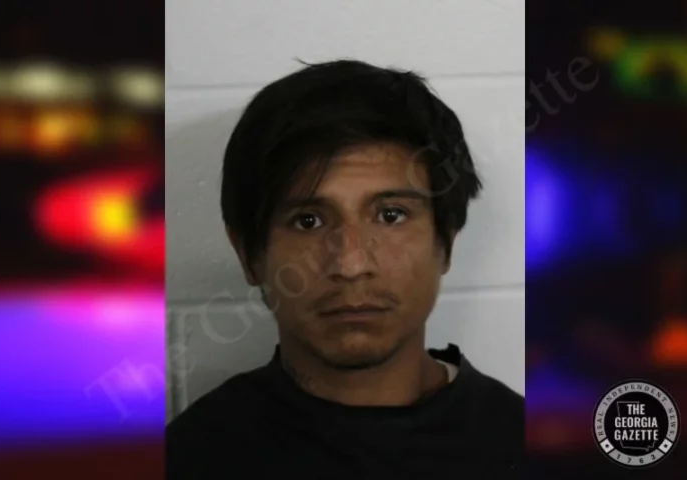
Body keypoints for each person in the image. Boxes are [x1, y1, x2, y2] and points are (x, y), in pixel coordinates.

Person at [166, 59, 523, 478]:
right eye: (308, 221)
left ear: (445, 241)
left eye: (391, 215)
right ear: (248, 254)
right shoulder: (190, 456)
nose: (351, 265)